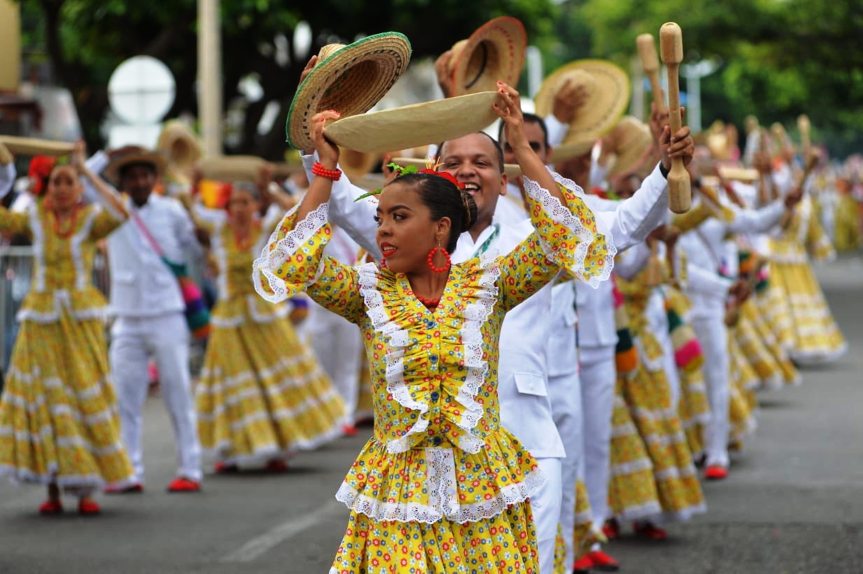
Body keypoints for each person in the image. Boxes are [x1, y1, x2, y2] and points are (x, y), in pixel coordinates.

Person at [255, 84, 613, 573]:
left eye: (398, 217)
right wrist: (323, 168)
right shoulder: (368, 293)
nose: (381, 229)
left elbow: (571, 235)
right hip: (398, 493)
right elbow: (291, 265)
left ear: (440, 228)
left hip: (484, 489)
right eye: (380, 217)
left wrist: (522, 150)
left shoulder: (492, 286)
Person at [0, 144, 135, 515]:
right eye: (56, 181)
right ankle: (54, 488)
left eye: (68, 182)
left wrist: (87, 171)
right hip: (40, 322)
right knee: (47, 401)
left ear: (78, 190)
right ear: (47, 187)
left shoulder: (91, 218)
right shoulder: (35, 220)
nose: (61, 188)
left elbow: (122, 211)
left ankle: (86, 488)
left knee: (82, 396)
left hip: (80, 323)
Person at [193, 173, 348, 471]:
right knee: (231, 383)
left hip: (264, 316)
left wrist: (270, 189)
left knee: (275, 381)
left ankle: (281, 446)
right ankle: (231, 450)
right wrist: (198, 180)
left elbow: (296, 209)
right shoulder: (217, 230)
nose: (239, 208)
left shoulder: (266, 228)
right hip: (229, 318)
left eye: (246, 202)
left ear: (256, 205)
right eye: (234, 202)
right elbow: (192, 208)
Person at [102, 146, 206, 493]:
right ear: (123, 183)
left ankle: (190, 468)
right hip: (127, 316)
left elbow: (193, 250)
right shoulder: (112, 210)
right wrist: (102, 156)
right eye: (132, 177)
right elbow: (85, 182)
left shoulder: (173, 210)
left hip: (167, 313)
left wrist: (199, 232)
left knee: (178, 393)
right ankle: (129, 470)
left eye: (146, 175)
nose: (140, 181)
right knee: (125, 398)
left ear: (155, 179)